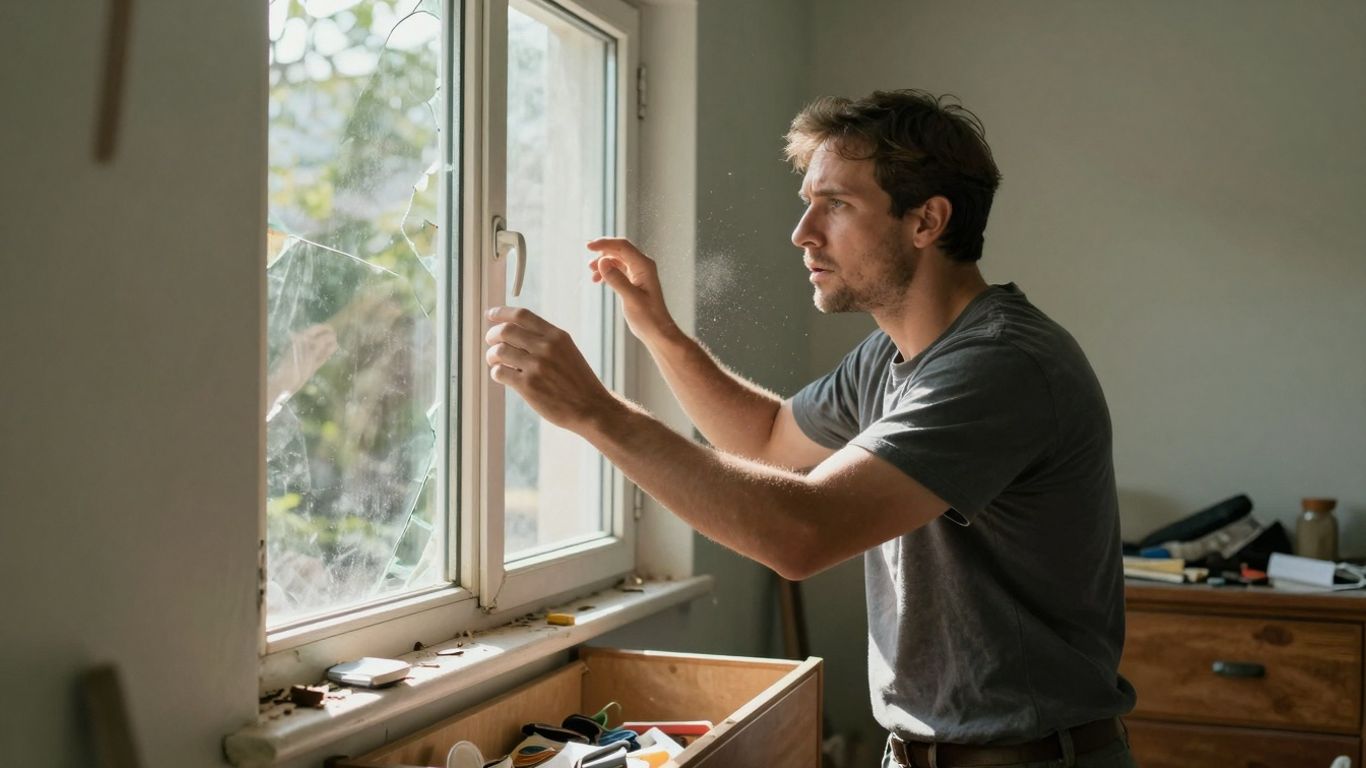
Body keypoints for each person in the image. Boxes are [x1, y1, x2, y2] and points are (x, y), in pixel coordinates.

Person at [484, 89, 1137, 768]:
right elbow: (767, 438)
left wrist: (599, 413)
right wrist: (662, 334)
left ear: (927, 221)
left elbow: (804, 532)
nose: (803, 232)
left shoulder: (1000, 365)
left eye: (836, 204)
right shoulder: (892, 355)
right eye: (808, 202)